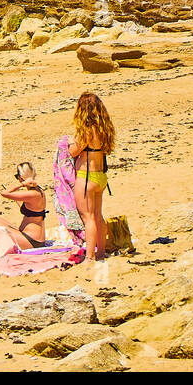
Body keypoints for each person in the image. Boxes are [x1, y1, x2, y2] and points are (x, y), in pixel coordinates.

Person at [69, 92, 115, 262]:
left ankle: (89, 257)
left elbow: (73, 152)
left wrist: (71, 141)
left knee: (88, 218)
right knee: (97, 216)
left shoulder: (86, 131)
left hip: (86, 177)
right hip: (101, 177)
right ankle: (101, 253)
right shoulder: (104, 129)